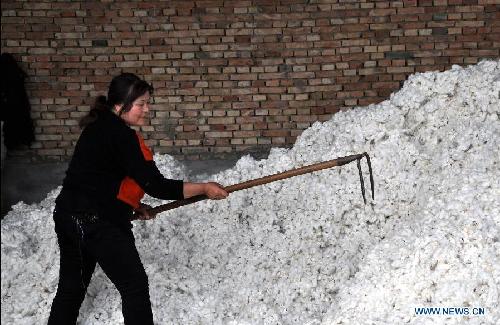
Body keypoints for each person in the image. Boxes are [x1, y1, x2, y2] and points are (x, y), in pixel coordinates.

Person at [48, 73, 228, 324]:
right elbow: (156, 185)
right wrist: (204, 188)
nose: (147, 109)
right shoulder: (123, 136)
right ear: (121, 106)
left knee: (72, 288)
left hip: (68, 217)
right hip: (95, 223)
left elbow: (98, 179)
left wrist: (132, 205)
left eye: (148, 103)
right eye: (141, 104)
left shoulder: (97, 127)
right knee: (134, 287)